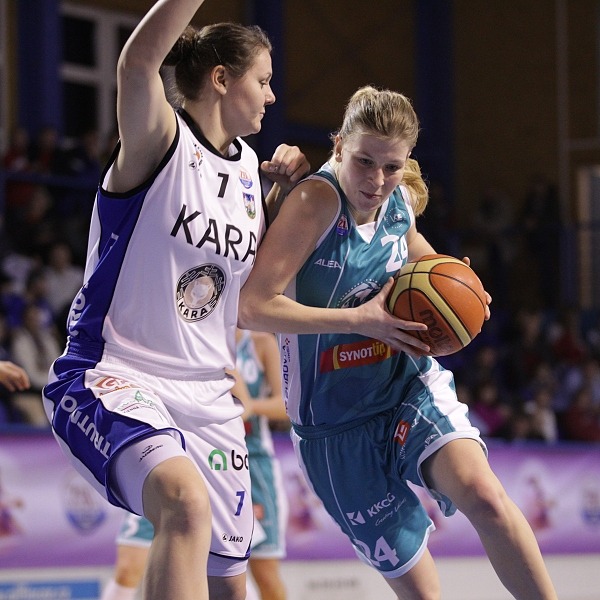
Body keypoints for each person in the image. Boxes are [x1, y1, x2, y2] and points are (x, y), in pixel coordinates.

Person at [239, 85, 558, 599]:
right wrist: (358, 321)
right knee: (423, 593)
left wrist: (459, 288)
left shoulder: (399, 200)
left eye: (392, 167)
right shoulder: (315, 203)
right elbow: (252, 306)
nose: (377, 181)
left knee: (486, 497)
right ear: (339, 145)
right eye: (364, 162)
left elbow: (419, 256)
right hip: (333, 424)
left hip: (403, 387)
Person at [41, 1, 309, 599]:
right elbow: (137, 62)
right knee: (184, 503)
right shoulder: (160, 140)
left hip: (211, 399)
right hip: (115, 373)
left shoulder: (250, 173)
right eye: (263, 80)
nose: (272, 96)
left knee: (231, 587)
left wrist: (283, 196)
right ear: (221, 78)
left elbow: (251, 298)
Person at [99, 329, 289, 600]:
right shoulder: (170, 333)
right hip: (171, 456)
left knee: (258, 575)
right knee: (129, 566)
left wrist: (228, 407)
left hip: (240, 462)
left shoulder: (253, 343)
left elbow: (265, 405)